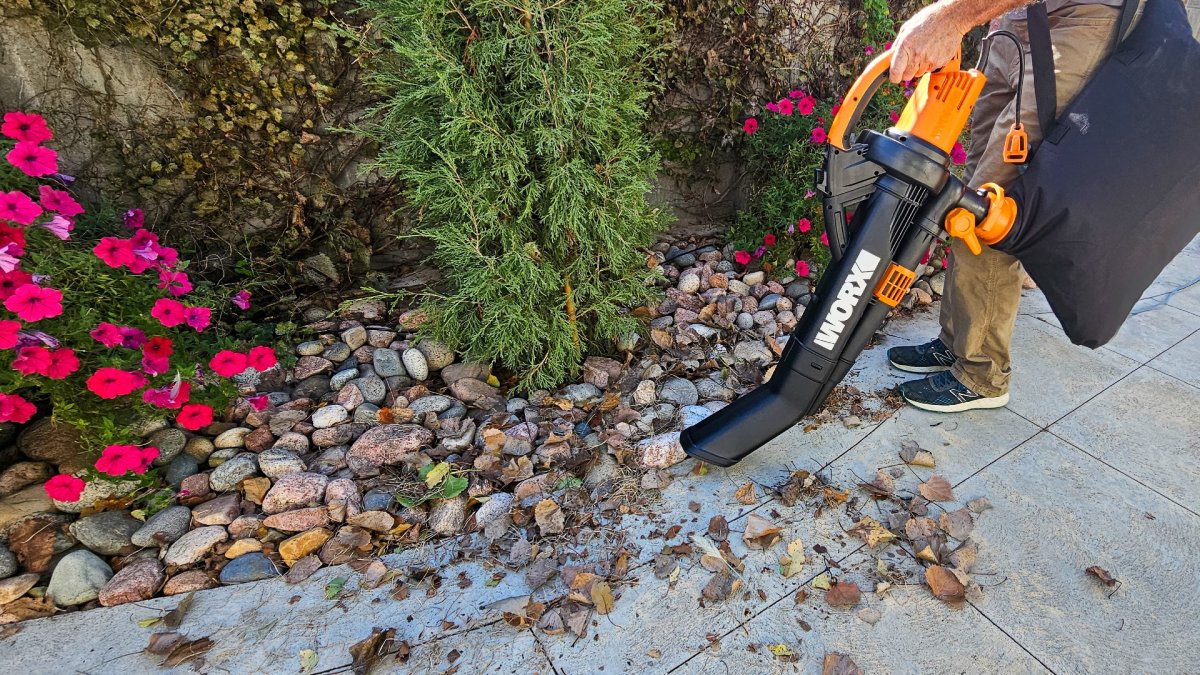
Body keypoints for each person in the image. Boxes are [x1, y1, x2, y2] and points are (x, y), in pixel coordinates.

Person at [884, 0, 1144, 413]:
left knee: (988, 204)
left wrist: (951, 17)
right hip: (1016, 17)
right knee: (967, 189)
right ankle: (956, 342)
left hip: (1082, 19)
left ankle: (983, 373)